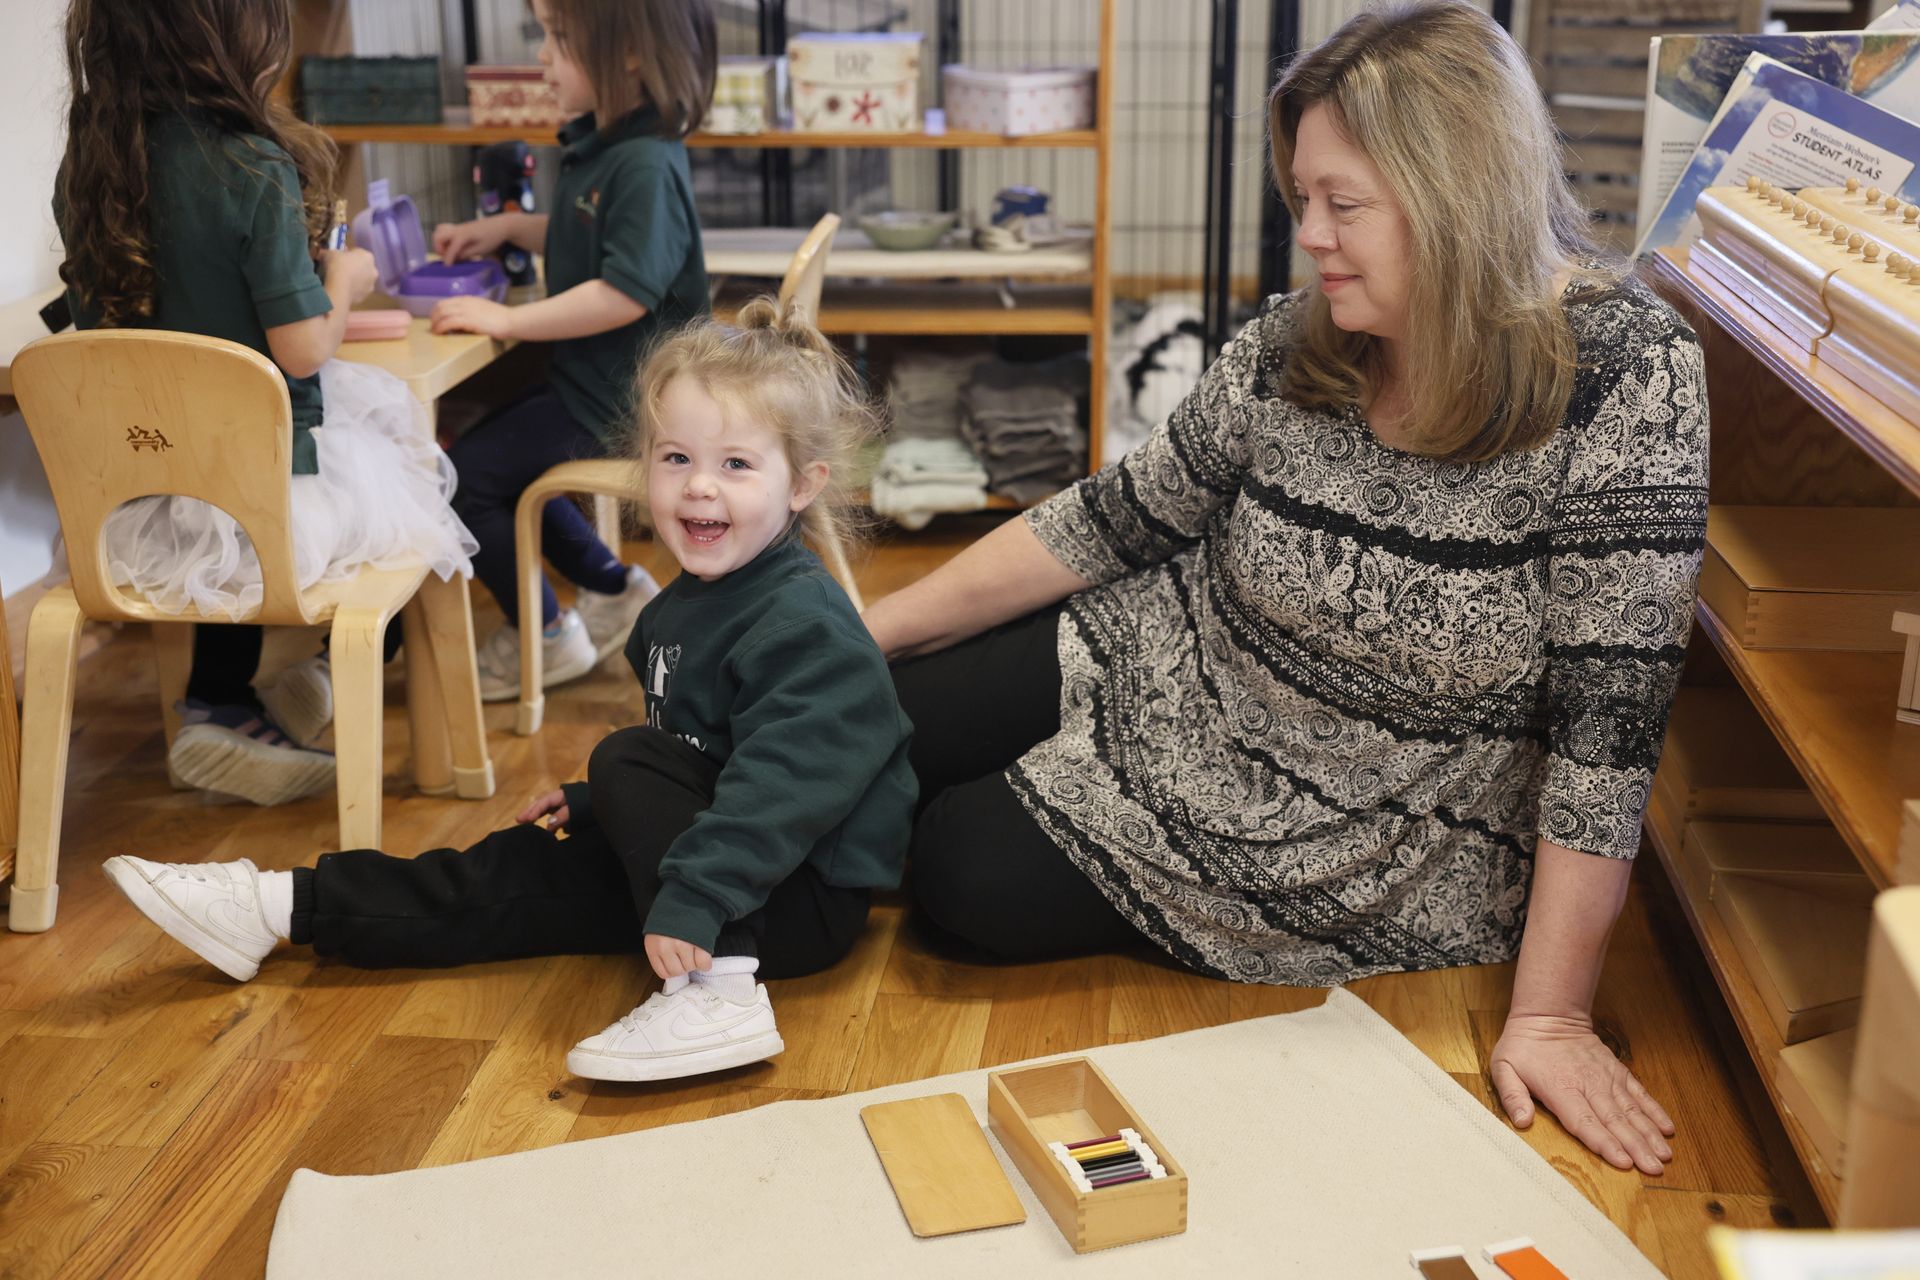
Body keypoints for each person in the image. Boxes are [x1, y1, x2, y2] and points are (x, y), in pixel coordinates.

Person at [869, 0, 1706, 1178]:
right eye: (1302, 197)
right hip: (1175, 654)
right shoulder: (1304, 339)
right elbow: (1120, 514)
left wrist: (1553, 1014)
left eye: (1342, 204)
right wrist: (863, 629)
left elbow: (1607, 735)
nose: (1309, 234)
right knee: (870, 710)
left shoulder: (1630, 373)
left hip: (1362, 821)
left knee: (960, 868)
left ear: (1455, 195)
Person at [103, 299, 916, 1083]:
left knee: (627, 755)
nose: (699, 486)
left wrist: (688, 883)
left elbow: (779, 790)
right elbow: (707, 757)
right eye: (676, 459)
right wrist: (602, 805)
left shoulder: (806, 627)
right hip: (728, 873)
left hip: (790, 902)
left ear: (803, 485)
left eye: (736, 465)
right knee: (512, 872)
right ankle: (280, 907)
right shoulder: (676, 611)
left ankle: (719, 994)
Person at [53, 0, 476, 806]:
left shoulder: (91, 170)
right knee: (419, 516)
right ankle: (319, 675)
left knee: (232, 503)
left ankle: (227, 705)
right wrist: (342, 279)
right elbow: (305, 349)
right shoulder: (250, 165)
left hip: (137, 495)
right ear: (235, 35)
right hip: (267, 494)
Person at [429, 0, 716, 702]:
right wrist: (509, 229)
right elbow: (587, 231)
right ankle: (615, 590)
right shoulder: (611, 144)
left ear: (628, 54)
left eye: (559, 39)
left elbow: (624, 291)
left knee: (462, 481)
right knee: (492, 463)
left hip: (633, 403)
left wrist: (506, 318)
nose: (542, 56)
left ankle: (547, 635)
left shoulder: (642, 162)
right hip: (604, 385)